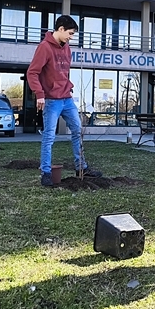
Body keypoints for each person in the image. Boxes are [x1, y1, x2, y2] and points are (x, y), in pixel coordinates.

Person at [27, 15, 102, 187]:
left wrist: (68, 86)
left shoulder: (67, 48)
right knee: (49, 136)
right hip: (51, 100)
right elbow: (32, 72)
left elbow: (64, 72)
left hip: (66, 98)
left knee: (77, 129)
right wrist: (39, 94)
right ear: (60, 29)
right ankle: (46, 172)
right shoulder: (44, 47)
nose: (71, 37)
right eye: (70, 33)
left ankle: (81, 167)